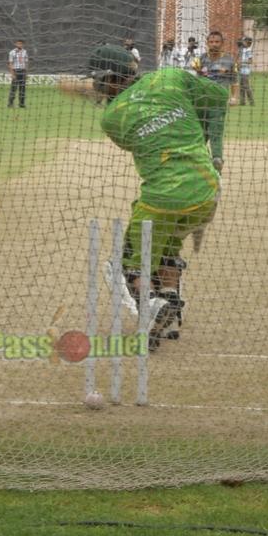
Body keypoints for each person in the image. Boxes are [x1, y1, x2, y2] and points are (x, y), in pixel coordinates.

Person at [91, 44, 228, 351]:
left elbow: (135, 133)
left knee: (125, 266)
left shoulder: (112, 119)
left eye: (98, 81)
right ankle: (168, 298)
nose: (96, 88)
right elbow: (219, 98)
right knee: (167, 246)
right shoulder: (172, 78)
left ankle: (151, 308)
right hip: (207, 192)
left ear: (111, 80)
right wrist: (210, 143)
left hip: (163, 199)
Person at [7, 39, 29, 108]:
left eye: (21, 44)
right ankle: (10, 103)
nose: (19, 45)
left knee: (22, 88)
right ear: (15, 44)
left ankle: (21, 103)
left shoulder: (25, 52)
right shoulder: (12, 52)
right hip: (16, 71)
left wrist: (26, 73)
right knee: (13, 88)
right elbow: (10, 63)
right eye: (18, 43)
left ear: (23, 44)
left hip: (22, 71)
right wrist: (12, 73)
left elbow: (26, 62)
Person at [237, 36, 255, 106]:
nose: (242, 42)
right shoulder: (243, 50)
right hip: (241, 70)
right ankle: (242, 102)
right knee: (241, 87)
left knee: (246, 86)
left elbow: (250, 61)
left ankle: (251, 102)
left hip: (246, 71)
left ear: (248, 43)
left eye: (244, 41)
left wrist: (241, 62)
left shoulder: (248, 50)